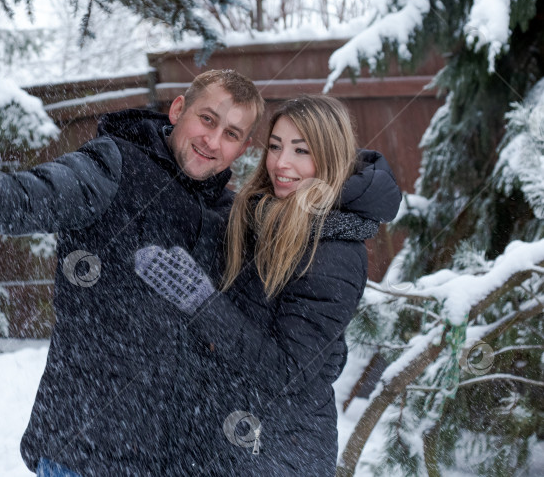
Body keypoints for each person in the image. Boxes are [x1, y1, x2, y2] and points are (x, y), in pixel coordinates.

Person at [0, 70, 267, 476]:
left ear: (244, 147)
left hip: (175, 463)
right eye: (207, 119)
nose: (213, 141)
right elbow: (28, 197)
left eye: (232, 133)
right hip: (86, 453)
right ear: (179, 108)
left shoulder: (232, 220)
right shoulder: (114, 165)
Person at [135, 94, 401, 475]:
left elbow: (288, 372)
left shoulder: (334, 251)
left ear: (329, 157)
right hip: (225, 442)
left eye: (300, 150)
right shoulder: (262, 216)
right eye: (275, 146)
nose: (281, 163)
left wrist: (202, 303)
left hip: (277, 453)